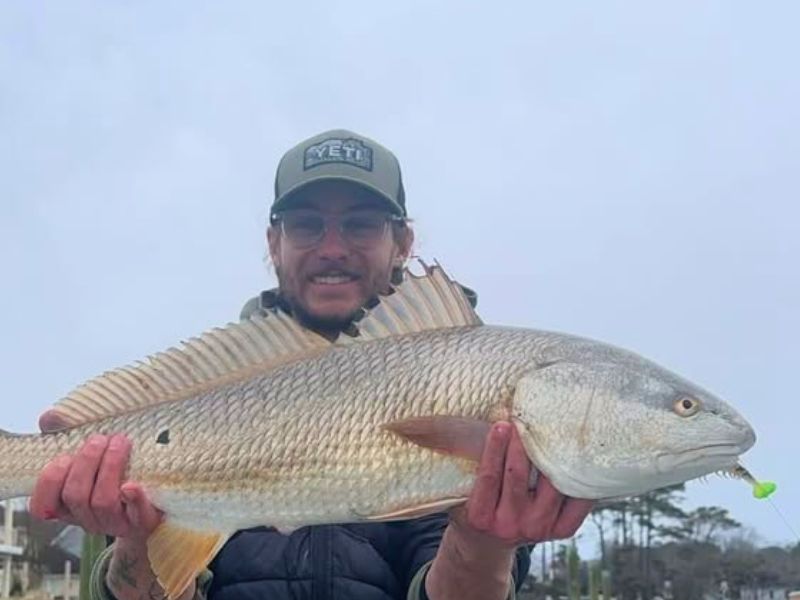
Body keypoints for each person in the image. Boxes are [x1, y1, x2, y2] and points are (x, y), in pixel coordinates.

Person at [30, 129, 594, 600]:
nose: (332, 247)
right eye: (306, 224)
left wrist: (482, 541)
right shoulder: (207, 387)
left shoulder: (459, 385)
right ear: (274, 243)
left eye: (360, 224)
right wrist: (137, 539)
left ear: (403, 241)